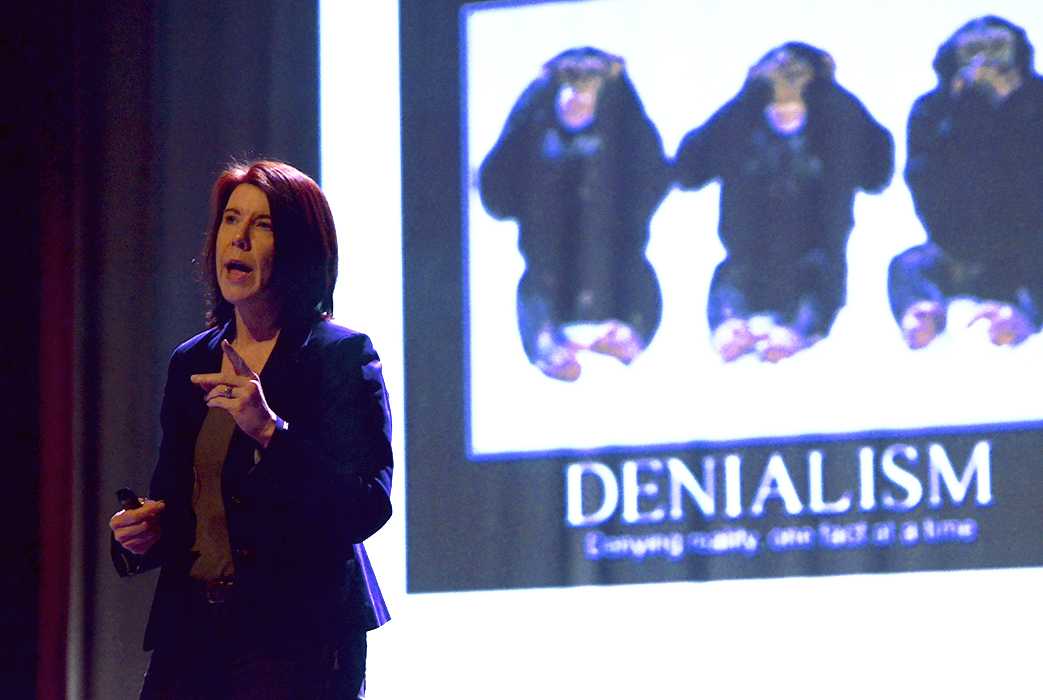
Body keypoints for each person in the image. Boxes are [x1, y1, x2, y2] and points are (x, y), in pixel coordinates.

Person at [109, 160, 392, 698]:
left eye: (260, 225)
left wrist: (270, 432)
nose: (236, 238)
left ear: (298, 249)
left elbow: (366, 504)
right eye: (230, 220)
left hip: (299, 647)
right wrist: (142, 532)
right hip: (193, 639)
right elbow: (179, 502)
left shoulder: (340, 357)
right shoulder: (191, 361)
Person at [888, 16, 1043, 349]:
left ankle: (1026, 315)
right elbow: (927, 192)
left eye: (997, 49)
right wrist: (967, 113)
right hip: (962, 247)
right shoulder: (933, 110)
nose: (985, 61)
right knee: (907, 265)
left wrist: (1013, 108)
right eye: (974, 51)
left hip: (1032, 244)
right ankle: (922, 314)